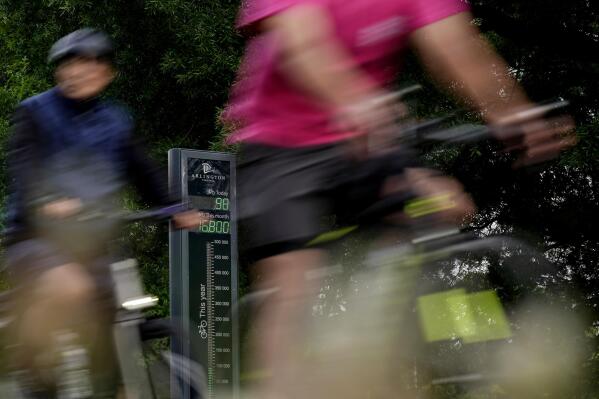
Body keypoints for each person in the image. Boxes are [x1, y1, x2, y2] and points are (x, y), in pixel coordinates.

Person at [223, 0, 575, 397]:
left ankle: (476, 366)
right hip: (280, 143)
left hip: (367, 139)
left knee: (438, 218)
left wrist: (511, 111)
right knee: (290, 279)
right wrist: (354, 98)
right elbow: (303, 43)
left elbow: (455, 46)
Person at [4, 28, 203, 397]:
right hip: (36, 237)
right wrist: (46, 198)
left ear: (107, 73)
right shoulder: (35, 111)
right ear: (59, 71)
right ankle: (29, 365)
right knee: (72, 288)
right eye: (70, 65)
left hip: (91, 241)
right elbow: (25, 167)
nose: (78, 73)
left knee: (114, 317)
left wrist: (176, 208)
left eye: (89, 65)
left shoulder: (117, 120)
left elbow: (143, 171)